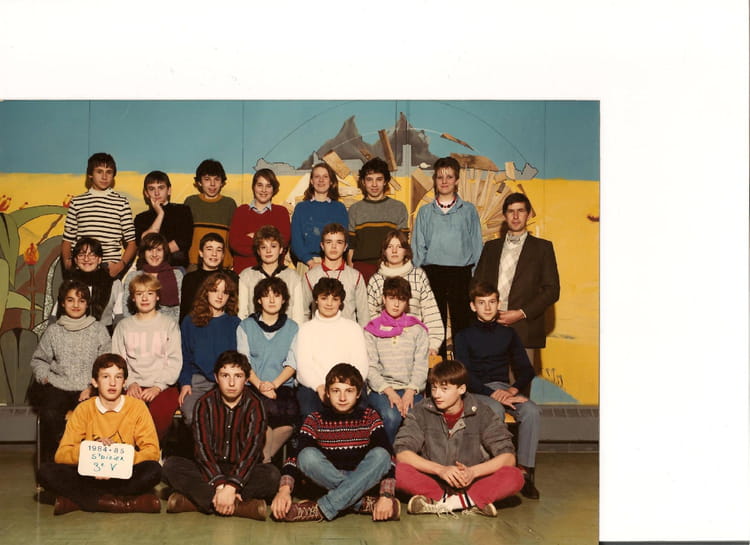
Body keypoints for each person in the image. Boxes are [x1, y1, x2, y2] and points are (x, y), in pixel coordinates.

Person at [393, 359, 524, 517]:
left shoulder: (483, 412)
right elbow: (402, 453)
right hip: (434, 480)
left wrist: (473, 472)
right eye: (434, 388)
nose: (437, 394)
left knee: (515, 476)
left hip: (473, 482)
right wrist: (440, 470)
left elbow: (508, 457)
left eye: (444, 389)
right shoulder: (421, 411)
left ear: (461, 389)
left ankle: (446, 503)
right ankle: (468, 502)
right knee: (395, 470)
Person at [270, 363, 399, 522]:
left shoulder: (370, 416)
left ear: (358, 393)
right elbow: (294, 458)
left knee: (382, 455)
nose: (342, 398)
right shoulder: (315, 419)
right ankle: (361, 503)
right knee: (306, 456)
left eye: (349, 391)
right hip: (325, 479)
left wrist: (386, 495)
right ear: (327, 393)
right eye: (336, 391)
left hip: (362, 476)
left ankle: (321, 508)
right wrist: (284, 491)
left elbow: (388, 459)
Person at [37, 353, 162, 515]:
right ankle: (123, 503)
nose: (112, 383)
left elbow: (152, 451)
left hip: (123, 476)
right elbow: (62, 454)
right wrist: (90, 454)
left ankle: (82, 501)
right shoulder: (84, 409)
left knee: (154, 470)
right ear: (95, 382)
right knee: (45, 472)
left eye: (118, 377)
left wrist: (118, 458)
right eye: (105, 377)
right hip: (89, 476)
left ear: (124, 382)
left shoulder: (137, 407)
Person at [162, 351, 280, 520]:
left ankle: (199, 502)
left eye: (238, 376)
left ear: (247, 379)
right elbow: (202, 450)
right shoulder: (204, 403)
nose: (231, 383)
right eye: (225, 375)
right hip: (209, 470)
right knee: (170, 466)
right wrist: (219, 485)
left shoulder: (256, 406)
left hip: (242, 470)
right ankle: (238, 506)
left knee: (272, 475)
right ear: (216, 378)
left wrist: (232, 486)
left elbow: (252, 452)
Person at [454, 281, 542, 499]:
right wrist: (492, 394)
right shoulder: (463, 335)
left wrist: (512, 390)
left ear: (498, 304)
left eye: (492, 302)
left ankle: (524, 472)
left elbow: (527, 370)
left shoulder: (508, 334)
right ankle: (495, 470)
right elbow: (464, 374)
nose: (487, 307)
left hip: (503, 389)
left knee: (532, 411)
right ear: (473, 306)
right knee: (496, 409)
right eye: (481, 303)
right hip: (475, 390)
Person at [472, 192, 560, 370]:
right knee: (490, 382)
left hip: (524, 328)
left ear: (528, 214)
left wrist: (521, 313)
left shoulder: (543, 248)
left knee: (519, 385)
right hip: (491, 326)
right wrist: (487, 313)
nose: (515, 216)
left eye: (520, 211)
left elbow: (552, 290)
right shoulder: (491, 247)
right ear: (504, 216)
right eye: (511, 211)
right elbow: (477, 284)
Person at [30, 280, 112, 464]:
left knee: (96, 415)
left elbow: (106, 363)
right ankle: (64, 453)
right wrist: (44, 376)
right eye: (70, 300)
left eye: (81, 301)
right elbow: (38, 359)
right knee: (49, 412)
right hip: (59, 385)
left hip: (88, 387)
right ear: (62, 303)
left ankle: (89, 460)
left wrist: (92, 387)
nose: (76, 305)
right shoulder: (54, 331)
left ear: (87, 304)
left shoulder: (98, 330)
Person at [411, 157, 483, 353]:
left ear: (457, 180)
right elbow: (418, 246)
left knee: (463, 324)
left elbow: (477, 245)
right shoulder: (425, 212)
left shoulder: (468, 211)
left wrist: (476, 277)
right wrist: (418, 278)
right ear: (434, 180)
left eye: (449, 177)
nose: (444, 181)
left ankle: (463, 368)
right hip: (433, 273)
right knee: (435, 324)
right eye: (440, 177)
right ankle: (437, 368)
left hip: (461, 274)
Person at [112, 274, 181, 443]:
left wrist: (158, 386)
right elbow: (118, 361)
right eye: (139, 293)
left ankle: (152, 452)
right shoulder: (124, 326)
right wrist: (130, 383)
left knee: (159, 415)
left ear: (157, 297)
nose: (144, 298)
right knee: (129, 416)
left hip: (163, 385)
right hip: (133, 385)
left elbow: (175, 361)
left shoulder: (168, 324)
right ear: (133, 298)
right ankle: (132, 453)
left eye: (150, 293)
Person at [237, 277, 299, 463]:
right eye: (266, 295)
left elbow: (292, 363)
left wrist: (273, 384)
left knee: (289, 419)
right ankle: (266, 463)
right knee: (263, 413)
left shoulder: (293, 327)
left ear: (283, 299)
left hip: (282, 386)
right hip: (254, 386)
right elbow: (244, 362)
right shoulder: (246, 326)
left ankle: (263, 460)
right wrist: (261, 386)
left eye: (276, 295)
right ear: (259, 300)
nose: (272, 300)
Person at [364, 277, 429, 445]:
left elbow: (421, 365)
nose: (396, 304)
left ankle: (410, 455)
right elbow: (370, 367)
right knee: (391, 416)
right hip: (381, 390)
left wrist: (410, 391)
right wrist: (390, 392)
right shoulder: (372, 329)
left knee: (419, 415)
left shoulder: (417, 329)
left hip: (411, 389)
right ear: (384, 298)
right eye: (392, 298)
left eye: (401, 299)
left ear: (407, 302)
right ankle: (389, 455)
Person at [290, 278, 368, 416]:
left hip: (348, 385)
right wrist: (320, 387)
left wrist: (343, 389)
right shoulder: (305, 329)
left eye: (335, 299)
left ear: (341, 302)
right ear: (316, 300)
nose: (329, 303)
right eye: (324, 298)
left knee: (360, 412)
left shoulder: (353, 328)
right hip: (315, 387)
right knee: (310, 412)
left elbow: (361, 364)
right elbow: (303, 367)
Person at [367, 230, 444, 355]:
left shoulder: (418, 276)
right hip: (385, 346)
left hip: (415, 345)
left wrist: (433, 345)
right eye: (390, 247)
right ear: (384, 251)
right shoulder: (376, 280)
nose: (394, 251)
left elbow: (430, 311)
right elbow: (370, 315)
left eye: (399, 246)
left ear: (406, 250)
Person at [61, 152, 136, 278]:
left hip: (108, 269)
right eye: (99, 171)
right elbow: (68, 239)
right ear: (90, 174)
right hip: (82, 268)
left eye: (109, 172)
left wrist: (119, 266)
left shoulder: (121, 202)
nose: (104, 177)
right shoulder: (77, 202)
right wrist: (68, 263)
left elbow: (132, 243)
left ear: (113, 175)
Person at [179, 272, 240, 425]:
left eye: (225, 292)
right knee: (192, 414)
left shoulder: (235, 323)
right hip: (197, 381)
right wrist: (185, 383)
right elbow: (185, 356)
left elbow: (239, 360)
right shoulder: (190, 321)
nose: (220, 296)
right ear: (206, 292)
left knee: (225, 418)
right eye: (214, 290)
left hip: (226, 382)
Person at [346, 157, 408, 281]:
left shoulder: (399, 208)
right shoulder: (354, 210)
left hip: (391, 267)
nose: (374, 184)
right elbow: (351, 246)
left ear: (385, 181)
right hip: (362, 268)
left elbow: (403, 245)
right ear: (363, 182)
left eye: (379, 179)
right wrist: (352, 273)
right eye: (369, 179)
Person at [301, 223, 369, 327]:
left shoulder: (356, 276)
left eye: (339, 242)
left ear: (345, 246)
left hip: (347, 334)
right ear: (322, 246)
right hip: (319, 333)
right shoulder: (310, 276)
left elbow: (364, 316)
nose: (334, 246)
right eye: (329, 242)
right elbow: (303, 313)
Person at [229, 168, 291, 274]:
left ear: (273, 189)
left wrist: (253, 237)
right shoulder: (241, 211)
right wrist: (269, 243)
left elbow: (283, 242)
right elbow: (235, 244)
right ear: (253, 187)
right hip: (243, 273)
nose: (263, 190)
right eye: (260, 185)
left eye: (268, 186)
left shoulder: (281, 212)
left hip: (273, 274)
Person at [236, 225, 303, 322]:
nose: (268, 251)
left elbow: (298, 315)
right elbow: (242, 313)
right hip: (254, 329)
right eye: (263, 247)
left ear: (281, 249)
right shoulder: (246, 276)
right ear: (258, 251)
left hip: (286, 329)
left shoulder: (293, 277)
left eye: (273, 246)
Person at [53, 237, 123, 329]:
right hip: (72, 333)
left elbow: (119, 318)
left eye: (92, 255)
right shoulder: (69, 284)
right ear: (75, 260)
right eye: (81, 255)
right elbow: (54, 317)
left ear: (99, 259)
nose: (86, 259)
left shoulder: (114, 284)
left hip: (105, 334)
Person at [290, 162, 348, 273]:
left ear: (331, 181)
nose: (321, 180)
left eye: (325, 177)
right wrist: (310, 262)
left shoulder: (339, 208)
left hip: (333, 263)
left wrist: (330, 263)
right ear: (312, 181)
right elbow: (296, 241)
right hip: (307, 263)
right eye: (317, 176)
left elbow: (345, 239)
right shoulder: (301, 208)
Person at [184, 159, 237, 270]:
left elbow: (233, 238)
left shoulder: (229, 204)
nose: (212, 184)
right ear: (199, 182)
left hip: (222, 265)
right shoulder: (191, 202)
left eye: (216, 179)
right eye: (207, 179)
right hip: (195, 264)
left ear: (222, 182)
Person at [134, 170, 193, 268]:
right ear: (146, 193)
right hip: (147, 268)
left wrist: (156, 255)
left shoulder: (182, 211)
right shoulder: (141, 218)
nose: (157, 193)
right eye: (151, 189)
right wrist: (160, 214)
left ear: (169, 190)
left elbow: (183, 242)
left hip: (175, 266)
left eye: (161, 188)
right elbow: (144, 244)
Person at [122, 233, 183, 322]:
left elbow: (181, 308)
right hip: (139, 326)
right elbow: (127, 309)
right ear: (144, 253)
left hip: (169, 325)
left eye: (159, 250)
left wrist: (169, 326)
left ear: (164, 252)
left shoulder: (177, 274)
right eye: (150, 250)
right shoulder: (133, 276)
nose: (154, 254)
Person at [179, 232, 239, 323]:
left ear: (223, 255)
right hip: (197, 325)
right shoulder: (190, 279)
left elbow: (233, 309)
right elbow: (185, 311)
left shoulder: (231, 277)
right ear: (201, 253)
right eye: (209, 249)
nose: (214, 254)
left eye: (219, 250)